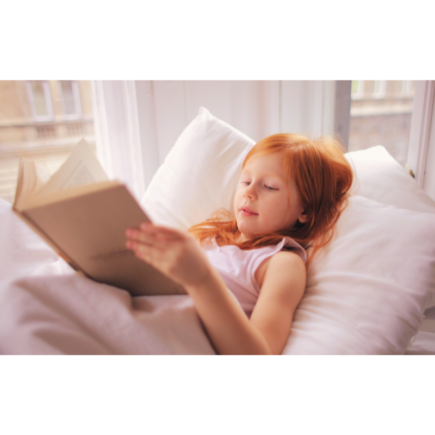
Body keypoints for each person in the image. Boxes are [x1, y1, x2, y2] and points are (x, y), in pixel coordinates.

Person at [125, 133, 353, 355]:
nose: (249, 192)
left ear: (305, 210)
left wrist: (201, 279)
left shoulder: (281, 263)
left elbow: (260, 354)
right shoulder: (209, 237)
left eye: (270, 186)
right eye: (246, 181)